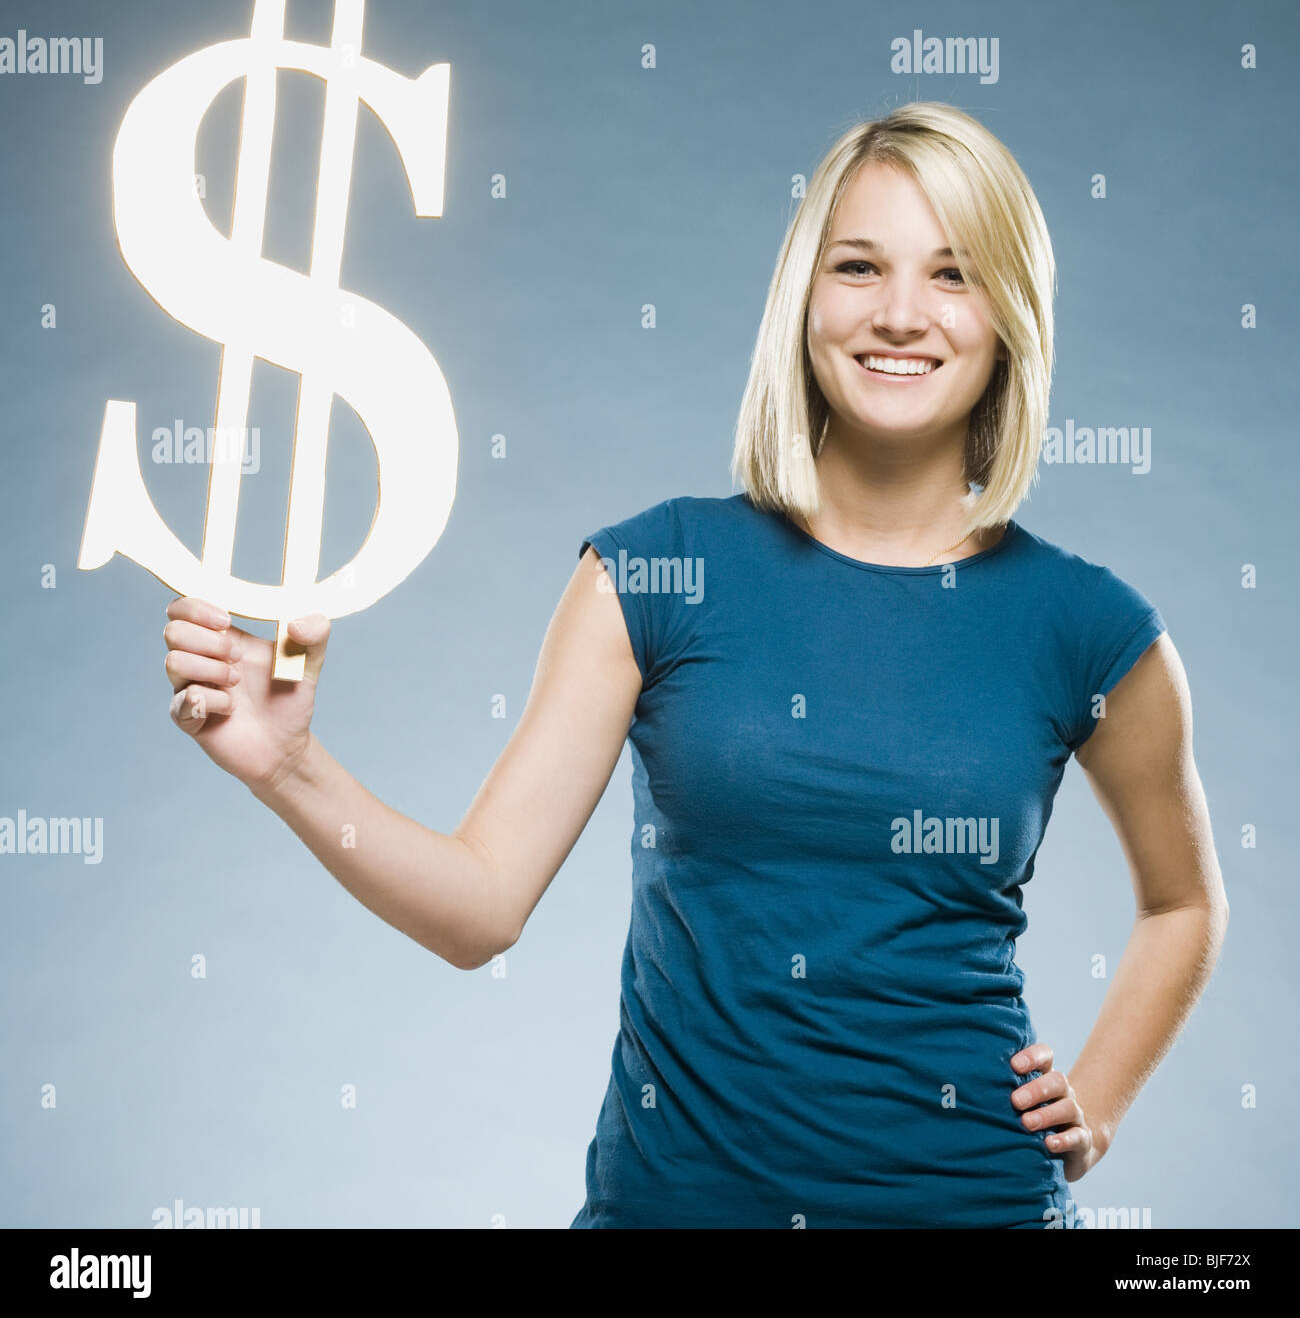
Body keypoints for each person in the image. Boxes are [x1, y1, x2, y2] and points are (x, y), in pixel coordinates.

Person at [162, 101, 1228, 1229]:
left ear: (1008, 314)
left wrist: (1097, 1101)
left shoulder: (1089, 627)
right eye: (858, 266)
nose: (900, 315)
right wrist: (288, 767)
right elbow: (478, 911)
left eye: (953, 275)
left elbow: (1183, 903)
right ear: (803, 299)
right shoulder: (655, 571)